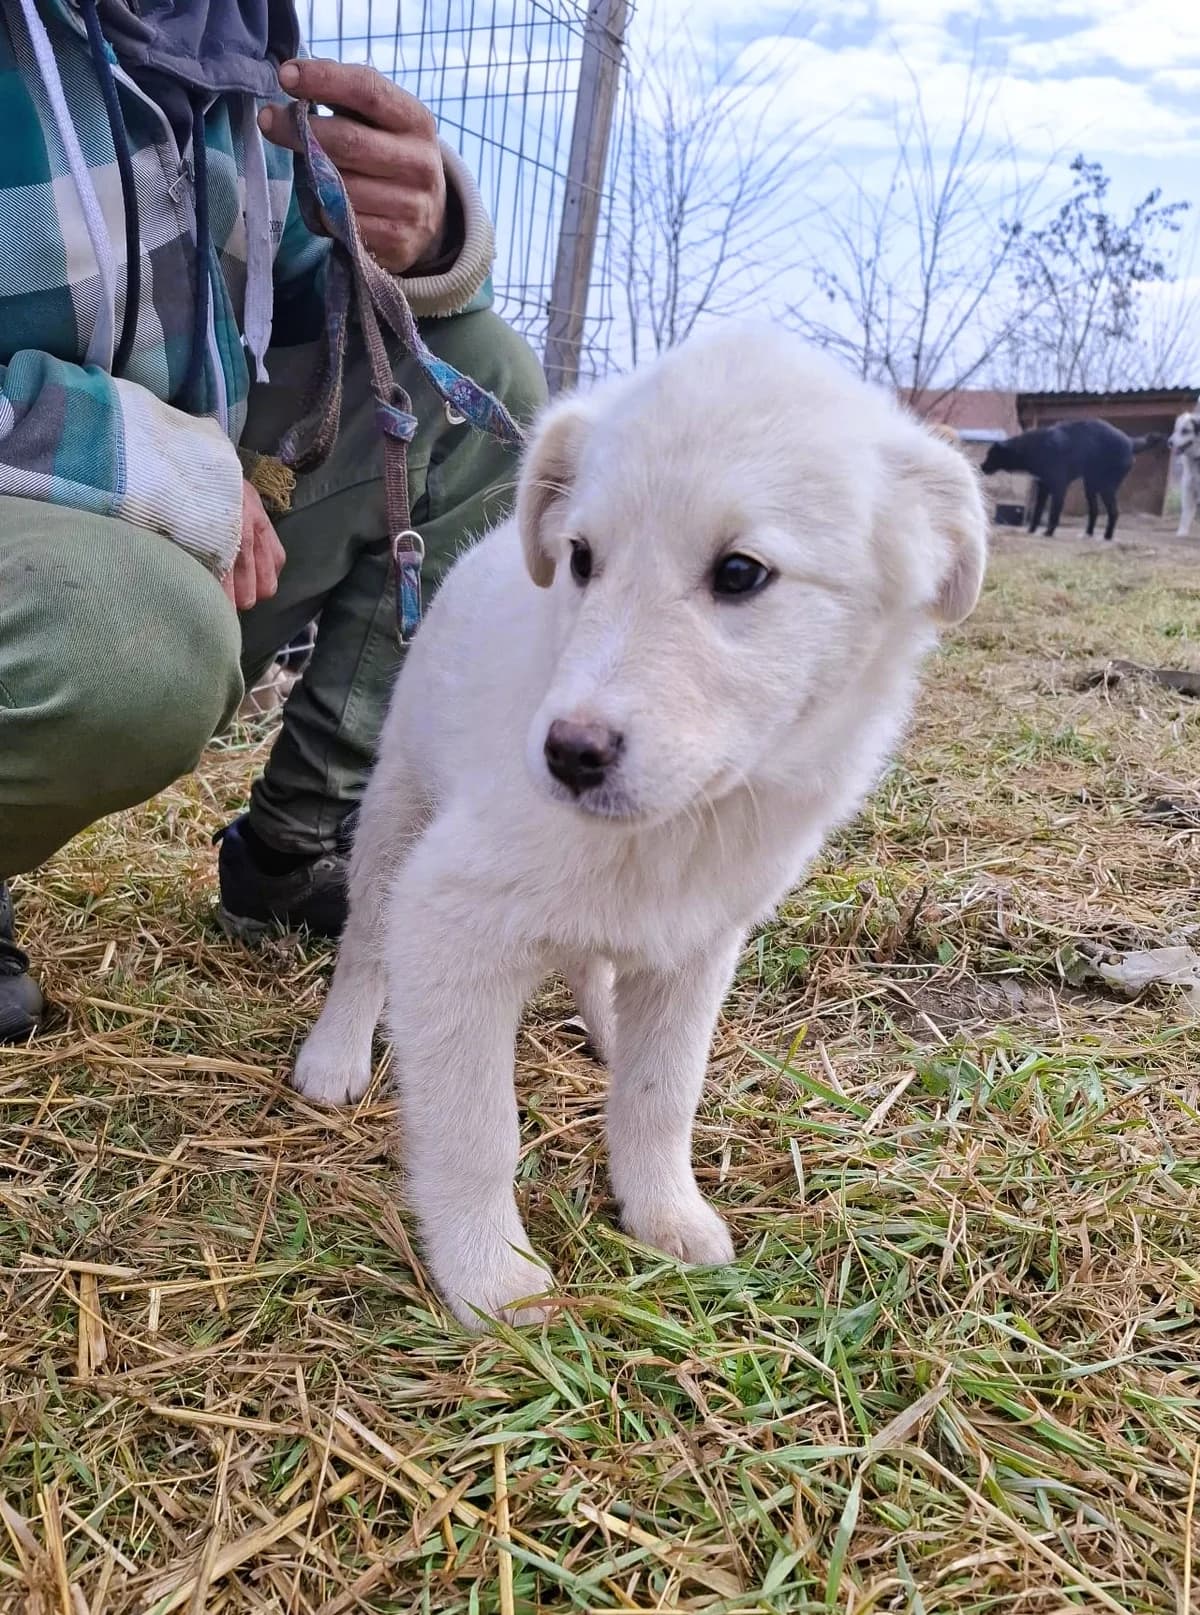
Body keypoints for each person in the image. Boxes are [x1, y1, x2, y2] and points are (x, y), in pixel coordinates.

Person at [0, 1, 548, 1042]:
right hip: (80, 545)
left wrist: (417, 231)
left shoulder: (218, 40)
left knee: (488, 392)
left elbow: (315, 301)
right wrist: (130, 452)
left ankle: (299, 842)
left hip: (186, 526)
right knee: (129, 637)